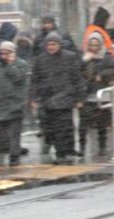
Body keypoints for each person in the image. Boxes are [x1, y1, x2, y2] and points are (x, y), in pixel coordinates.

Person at [30, 32, 86, 165]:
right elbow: (35, 81)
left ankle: (63, 152)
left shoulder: (69, 58)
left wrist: (79, 97)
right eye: (49, 44)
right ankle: (62, 150)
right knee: (51, 128)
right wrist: (33, 97)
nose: (51, 47)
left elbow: (77, 78)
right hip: (47, 99)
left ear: (59, 45)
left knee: (64, 127)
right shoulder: (40, 61)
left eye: (53, 44)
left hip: (65, 98)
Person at [0, 41, 29, 166]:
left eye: (7, 53)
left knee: (14, 136)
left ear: (13, 53)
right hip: (0, 105)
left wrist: (10, 64)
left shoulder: (21, 64)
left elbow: (19, 78)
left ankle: (14, 159)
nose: (3, 56)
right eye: (1, 53)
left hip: (15, 105)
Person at [79, 34, 114, 157]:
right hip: (87, 94)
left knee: (102, 124)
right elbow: (75, 71)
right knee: (83, 124)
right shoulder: (85, 57)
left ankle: (102, 147)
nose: (94, 48)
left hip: (102, 94)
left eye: (96, 45)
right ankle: (82, 147)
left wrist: (102, 75)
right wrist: (84, 60)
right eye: (91, 45)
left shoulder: (107, 58)